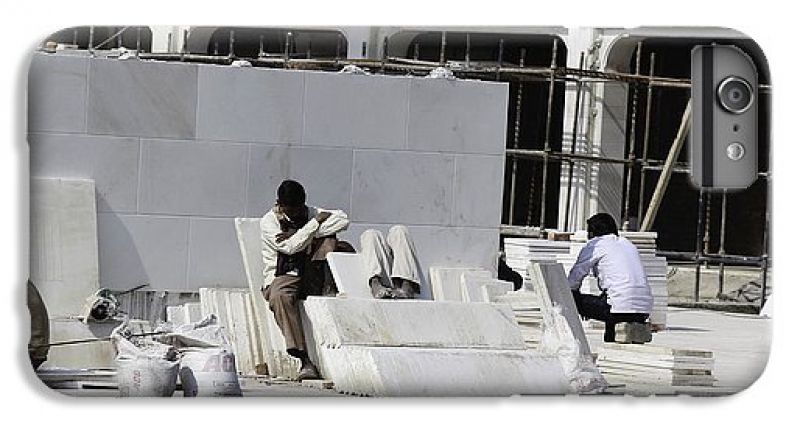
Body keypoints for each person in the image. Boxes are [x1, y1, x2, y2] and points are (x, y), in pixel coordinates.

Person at [260, 180, 351, 381]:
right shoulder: (269, 222)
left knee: (333, 241)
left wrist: (304, 231)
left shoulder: (310, 213)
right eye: (290, 210)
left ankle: (328, 287)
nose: (295, 214)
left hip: (311, 271)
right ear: (280, 205)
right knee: (279, 297)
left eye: (299, 209)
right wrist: (315, 225)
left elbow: (343, 219)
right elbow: (290, 248)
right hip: (284, 275)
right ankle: (304, 359)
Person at [567, 213, 653, 342]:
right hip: (643, 310)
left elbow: (575, 278)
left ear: (592, 232)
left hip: (618, 308)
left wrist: (574, 299)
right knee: (611, 298)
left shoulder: (596, 244)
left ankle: (569, 341)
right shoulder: (628, 244)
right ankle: (613, 339)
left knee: (567, 297)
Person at [360, 226, 422, 299]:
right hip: (384, 278)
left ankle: (407, 284)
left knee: (399, 230)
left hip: (401, 280)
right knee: (370, 234)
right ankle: (375, 283)